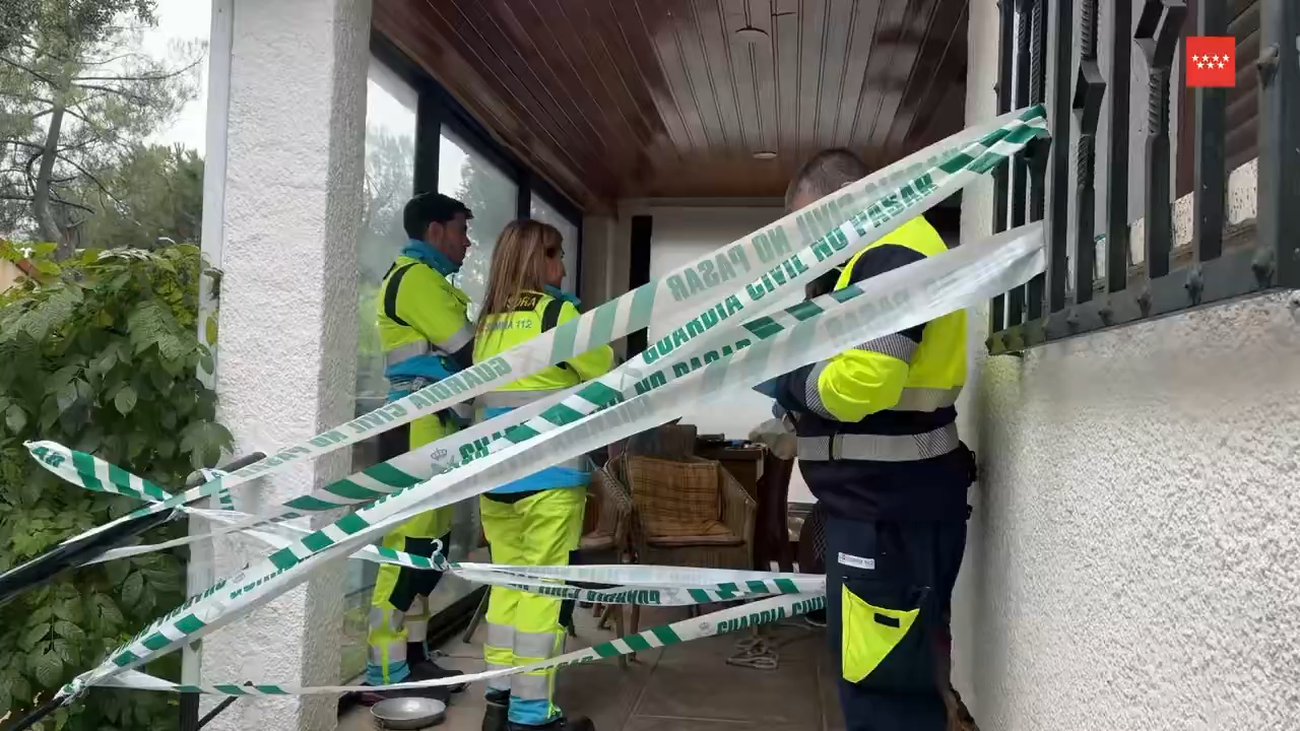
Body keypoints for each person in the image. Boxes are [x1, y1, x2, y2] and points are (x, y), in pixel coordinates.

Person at [756, 149, 980, 731]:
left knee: (883, 696)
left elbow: (867, 380)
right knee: (881, 680)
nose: (807, 246)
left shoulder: (893, 250)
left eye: (810, 225)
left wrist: (790, 381)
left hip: (891, 514)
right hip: (885, 509)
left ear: (845, 200)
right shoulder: (866, 261)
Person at [471, 220, 613, 731]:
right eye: (557, 256)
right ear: (541, 260)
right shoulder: (559, 313)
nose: (563, 266)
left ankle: (499, 703)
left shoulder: (487, 323)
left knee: (507, 589)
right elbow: (606, 369)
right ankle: (533, 716)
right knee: (542, 591)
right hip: (549, 478)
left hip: (496, 481)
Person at [361, 192, 477, 703]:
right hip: (416, 426)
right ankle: (384, 674)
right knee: (407, 549)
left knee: (429, 549)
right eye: (461, 230)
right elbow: (468, 347)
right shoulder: (416, 280)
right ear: (435, 231)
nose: (468, 241)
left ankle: (413, 656)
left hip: (436, 423)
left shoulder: (426, 279)